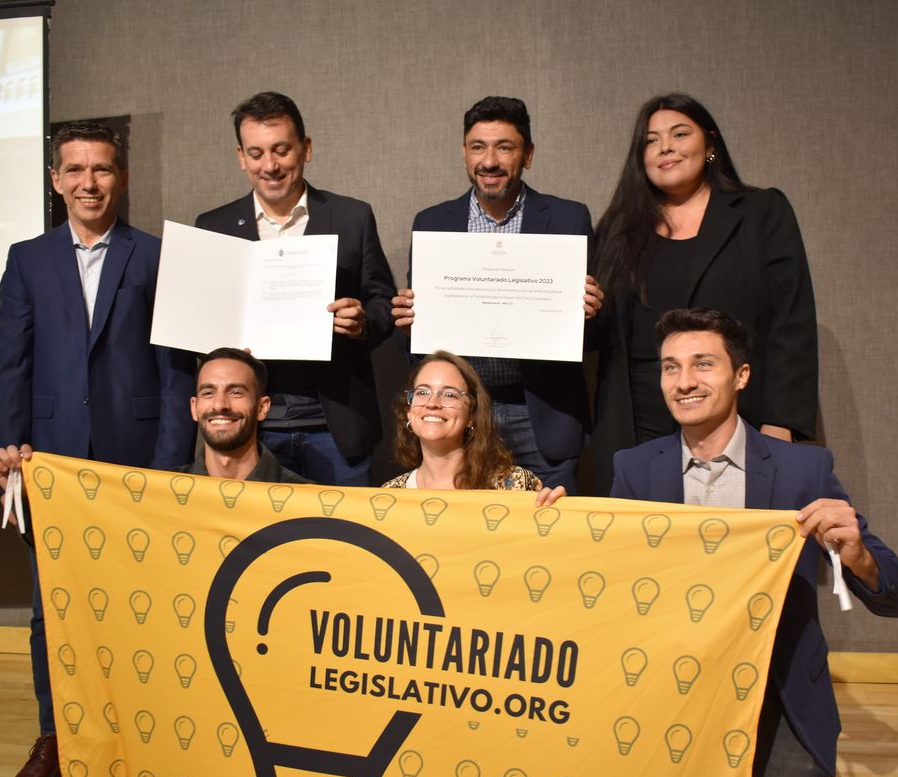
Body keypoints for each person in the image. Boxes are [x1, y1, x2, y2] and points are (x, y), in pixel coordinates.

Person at [611, 308, 898, 777]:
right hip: (673, 694)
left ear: (742, 375)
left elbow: (897, 596)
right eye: (670, 367)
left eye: (703, 364)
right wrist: (568, 525)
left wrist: (856, 553)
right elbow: (609, 583)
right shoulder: (635, 470)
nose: (684, 381)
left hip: (781, 694)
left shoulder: (802, 470)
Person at [0, 121, 196, 777]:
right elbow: (10, 363)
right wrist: (8, 446)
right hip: (48, 465)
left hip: (135, 465)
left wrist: (167, 469)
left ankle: (139, 731)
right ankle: (54, 735)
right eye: (74, 170)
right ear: (56, 181)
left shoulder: (157, 256)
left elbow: (174, 373)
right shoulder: (27, 259)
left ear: (122, 178)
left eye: (102, 169)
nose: (88, 183)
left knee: (141, 606)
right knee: (52, 611)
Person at [592, 92, 819, 493]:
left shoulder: (761, 212)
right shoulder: (617, 229)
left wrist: (780, 422)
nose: (665, 147)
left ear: (709, 144)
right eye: (651, 140)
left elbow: (792, 322)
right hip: (640, 425)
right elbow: (601, 337)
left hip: (740, 420)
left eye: (680, 134)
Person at [391, 96, 603, 494]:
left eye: (504, 147)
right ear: (464, 153)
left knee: (549, 531)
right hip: (462, 410)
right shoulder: (433, 222)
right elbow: (422, 349)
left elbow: (592, 338)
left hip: (540, 411)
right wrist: (408, 325)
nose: (489, 161)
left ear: (528, 154)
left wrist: (589, 315)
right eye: (478, 147)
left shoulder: (568, 219)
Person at [195, 91, 396, 486]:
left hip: (336, 425)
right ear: (241, 157)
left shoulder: (352, 216)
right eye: (256, 154)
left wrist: (363, 321)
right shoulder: (213, 227)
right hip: (250, 428)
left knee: (341, 543)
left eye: (281, 150)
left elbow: (384, 304)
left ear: (306, 149)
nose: (269, 165)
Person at [383, 351, 564, 505]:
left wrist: (559, 513)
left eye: (449, 394)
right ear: (408, 411)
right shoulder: (389, 497)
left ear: (471, 416)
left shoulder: (515, 485)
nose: (432, 403)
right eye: (422, 392)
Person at [179, 347, 311, 483]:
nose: (219, 405)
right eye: (208, 393)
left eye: (236, 392)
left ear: (262, 407)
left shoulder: (307, 499)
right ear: (194, 407)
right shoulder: (163, 493)